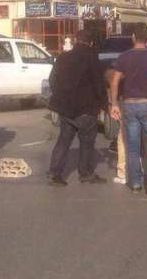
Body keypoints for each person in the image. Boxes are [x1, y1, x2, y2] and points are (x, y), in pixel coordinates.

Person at [109, 24, 147, 196]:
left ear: (133, 38)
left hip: (128, 105)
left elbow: (114, 82)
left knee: (133, 145)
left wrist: (114, 104)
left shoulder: (123, 57)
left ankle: (135, 183)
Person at [47, 29, 107, 186]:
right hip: (86, 108)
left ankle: (54, 173)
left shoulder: (62, 58)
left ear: (75, 40)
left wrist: (60, 96)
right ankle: (85, 173)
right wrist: (104, 105)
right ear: (91, 42)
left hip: (65, 108)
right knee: (87, 142)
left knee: (63, 140)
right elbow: (98, 84)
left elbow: (52, 80)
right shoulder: (92, 58)